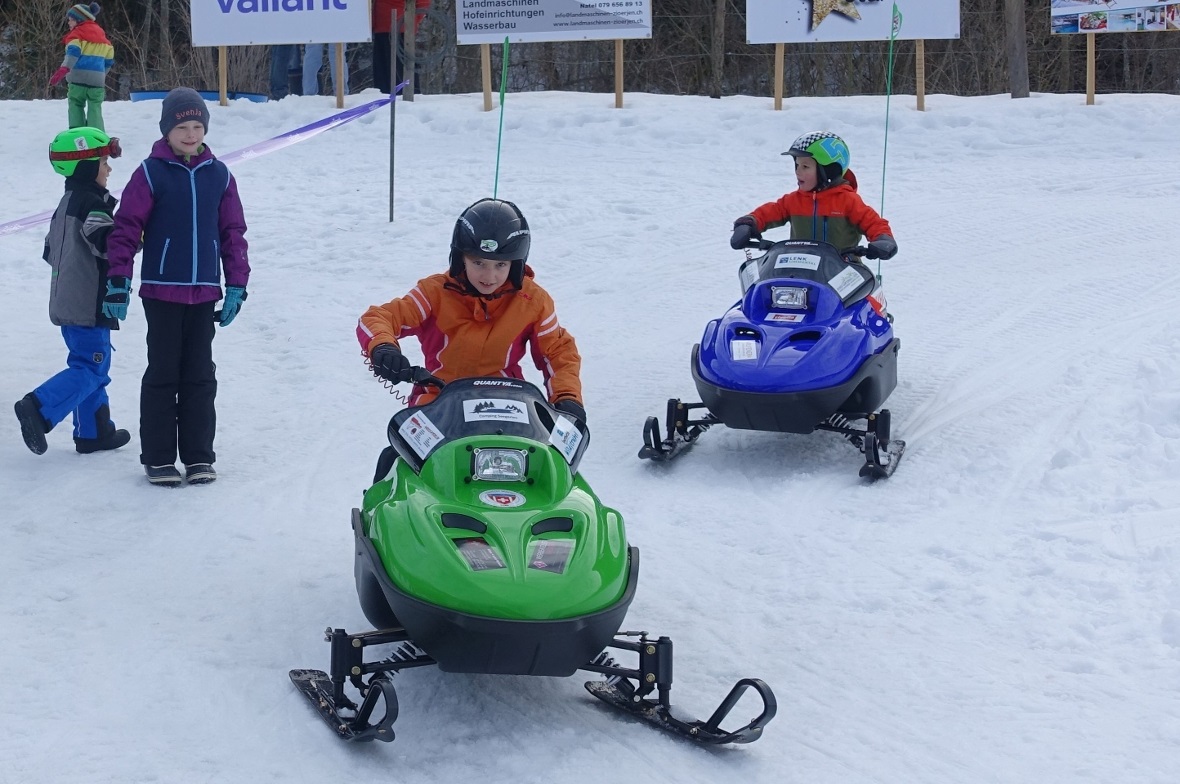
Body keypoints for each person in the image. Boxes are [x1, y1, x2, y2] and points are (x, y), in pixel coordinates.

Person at [105, 88, 251, 487]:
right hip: (162, 291)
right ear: (167, 130)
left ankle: (199, 456)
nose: (190, 134)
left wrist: (237, 283)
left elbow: (232, 232)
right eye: (182, 126)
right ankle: (158, 458)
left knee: (201, 375)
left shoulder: (219, 175)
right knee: (164, 373)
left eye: (197, 126)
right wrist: (119, 279)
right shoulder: (150, 173)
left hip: (205, 292)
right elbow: (126, 229)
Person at [357, 198, 585, 422]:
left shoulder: (533, 301)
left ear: (515, 264)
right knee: (403, 455)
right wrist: (383, 347)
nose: (489, 276)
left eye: (500, 265)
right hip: (437, 401)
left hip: (507, 405)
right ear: (460, 258)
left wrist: (567, 396)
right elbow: (379, 317)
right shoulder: (434, 293)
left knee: (543, 456)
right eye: (478, 263)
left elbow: (557, 351)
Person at [14, 127, 130, 457]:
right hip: (86, 305)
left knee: (92, 364)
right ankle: (38, 407)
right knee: (91, 368)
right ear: (85, 167)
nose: (109, 169)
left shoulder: (66, 204)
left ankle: (94, 433)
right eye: (104, 162)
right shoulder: (93, 205)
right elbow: (107, 243)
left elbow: (51, 251)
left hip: (68, 302)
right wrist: (134, 235)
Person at [730, 131, 898, 261]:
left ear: (829, 171)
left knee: (863, 301)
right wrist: (749, 223)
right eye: (796, 165)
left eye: (805, 166)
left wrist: (883, 239)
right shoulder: (794, 201)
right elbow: (771, 211)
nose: (798, 171)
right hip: (801, 269)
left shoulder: (847, 201)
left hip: (844, 272)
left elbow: (873, 222)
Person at [50, 2, 114, 131]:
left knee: (75, 104)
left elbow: (73, 53)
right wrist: (101, 75)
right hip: (97, 82)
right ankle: (96, 134)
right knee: (95, 107)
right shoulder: (105, 40)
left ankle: (76, 132)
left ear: (79, 20)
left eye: (71, 20)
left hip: (77, 79)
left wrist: (64, 69)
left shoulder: (75, 35)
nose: (69, 23)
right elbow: (109, 61)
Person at [372, 0, 429, 94]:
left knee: (401, 70)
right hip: (380, 29)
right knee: (382, 73)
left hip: (401, 29)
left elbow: (423, 4)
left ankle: (407, 97)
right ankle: (385, 99)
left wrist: (411, 21)